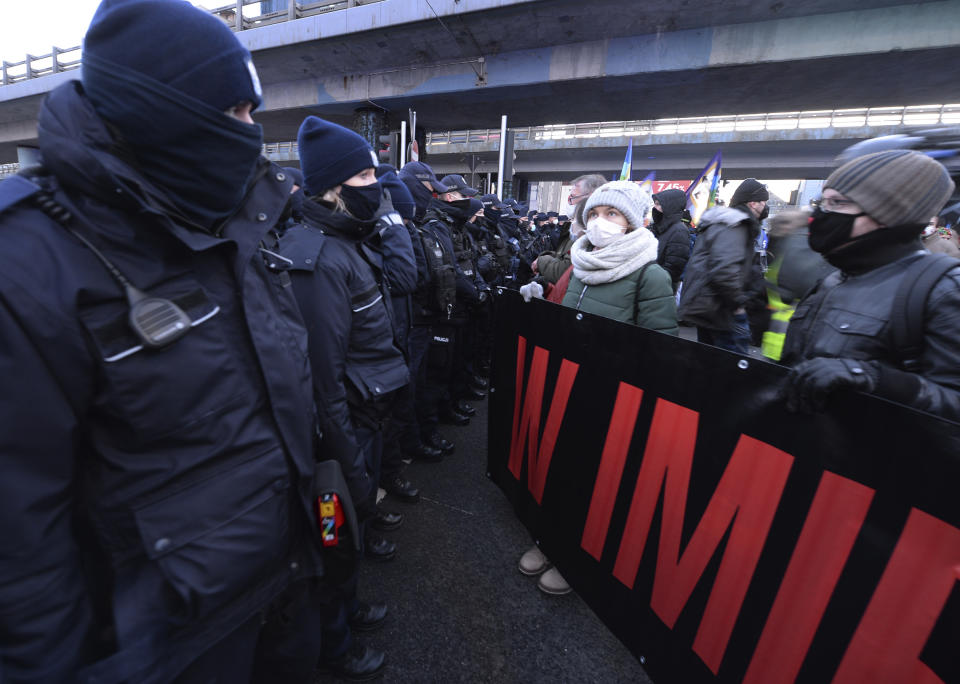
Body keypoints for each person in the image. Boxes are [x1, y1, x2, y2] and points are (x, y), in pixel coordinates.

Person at [0, 1, 330, 681]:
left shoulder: (236, 221)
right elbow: (19, 542)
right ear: (162, 110)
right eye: (237, 111)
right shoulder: (28, 265)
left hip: (283, 584)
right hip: (168, 645)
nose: (251, 132)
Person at [781, 150, 960, 421]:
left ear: (889, 214)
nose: (821, 214)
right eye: (823, 201)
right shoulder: (834, 278)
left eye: (838, 203)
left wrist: (878, 379)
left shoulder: (942, 289)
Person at [562, 180, 678, 334]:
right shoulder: (582, 262)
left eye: (611, 213)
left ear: (630, 222)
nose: (598, 221)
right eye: (593, 214)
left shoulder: (652, 277)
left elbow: (660, 347)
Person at [678, 178, 770, 354]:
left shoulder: (720, 223)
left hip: (708, 308)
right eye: (763, 203)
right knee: (731, 369)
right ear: (752, 203)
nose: (764, 208)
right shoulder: (736, 225)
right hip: (722, 311)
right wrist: (738, 304)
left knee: (709, 365)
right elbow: (724, 270)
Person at [650, 188, 692, 291]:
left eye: (658, 204)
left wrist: (649, 283)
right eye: (655, 204)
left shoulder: (679, 231)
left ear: (670, 206)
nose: (654, 208)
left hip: (660, 289)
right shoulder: (658, 228)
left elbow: (673, 268)